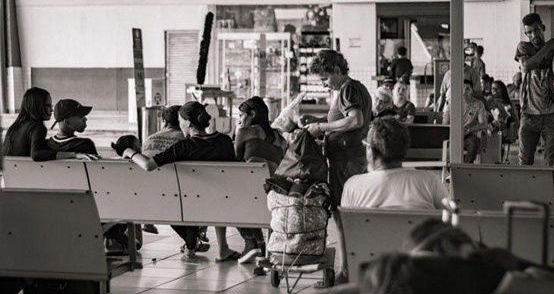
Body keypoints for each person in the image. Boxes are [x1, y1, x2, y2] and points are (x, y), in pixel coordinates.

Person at [121, 101, 236, 258]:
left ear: (188, 123)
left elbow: (148, 165)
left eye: (181, 120)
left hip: (192, 201)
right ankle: (222, 248)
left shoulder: (185, 146)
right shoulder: (225, 141)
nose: (180, 124)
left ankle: (191, 245)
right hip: (223, 199)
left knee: (174, 196)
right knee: (208, 194)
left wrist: (129, 151)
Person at [299, 49, 372, 208]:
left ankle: (347, 233)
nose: (324, 84)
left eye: (325, 78)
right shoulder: (349, 89)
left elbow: (355, 120)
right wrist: (317, 120)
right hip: (346, 157)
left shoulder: (348, 89)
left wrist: (321, 126)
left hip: (347, 159)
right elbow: (341, 119)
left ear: (337, 71)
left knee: (343, 205)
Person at [341, 117, 448, 209]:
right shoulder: (430, 181)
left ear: (371, 151)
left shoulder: (353, 186)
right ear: (405, 148)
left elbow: (348, 228)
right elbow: (451, 220)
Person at [234, 96, 287, 264]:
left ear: (252, 114)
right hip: (275, 191)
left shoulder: (244, 132)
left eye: (241, 115)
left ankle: (253, 242)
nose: (240, 120)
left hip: (250, 190)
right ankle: (261, 245)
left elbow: (235, 159)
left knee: (229, 194)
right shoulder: (279, 137)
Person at [515, 13, 554, 166]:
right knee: (524, 162)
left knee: (551, 163)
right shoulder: (523, 46)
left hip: (551, 115)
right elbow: (525, 66)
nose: (533, 35)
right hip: (528, 116)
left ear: (543, 28)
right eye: (529, 32)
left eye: (536, 30)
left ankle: (549, 190)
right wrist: (547, 47)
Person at [2, 87, 96, 161]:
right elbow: (36, 155)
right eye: (47, 106)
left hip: (13, 176)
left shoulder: (15, 127)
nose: (51, 109)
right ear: (37, 106)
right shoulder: (37, 127)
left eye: (51, 106)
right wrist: (75, 154)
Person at [140, 105, 184, 235]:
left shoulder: (149, 138)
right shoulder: (184, 138)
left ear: (164, 121)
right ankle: (193, 242)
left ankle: (148, 221)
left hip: (147, 190)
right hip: (175, 189)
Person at [443, 79, 488, 164]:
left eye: (467, 89)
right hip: (453, 135)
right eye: (462, 89)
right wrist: (455, 132)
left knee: (473, 143)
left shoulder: (478, 104)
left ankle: (467, 169)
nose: (464, 92)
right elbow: (445, 123)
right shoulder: (451, 104)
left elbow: (483, 124)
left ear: (472, 90)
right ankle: (451, 171)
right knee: (447, 145)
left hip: (469, 135)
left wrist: (468, 130)